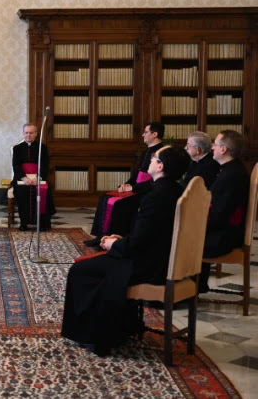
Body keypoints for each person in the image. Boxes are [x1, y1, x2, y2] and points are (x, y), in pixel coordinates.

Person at [61, 146, 190, 356]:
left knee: (81, 270)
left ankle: (96, 335)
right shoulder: (176, 190)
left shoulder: (156, 196)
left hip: (149, 267)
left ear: (160, 166)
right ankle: (124, 327)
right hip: (162, 258)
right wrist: (122, 239)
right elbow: (151, 235)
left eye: (154, 158)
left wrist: (115, 244)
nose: (150, 160)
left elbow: (139, 243)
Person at [84, 122, 166, 247]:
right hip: (137, 188)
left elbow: (157, 180)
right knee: (105, 198)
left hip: (147, 191)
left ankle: (114, 239)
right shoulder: (146, 152)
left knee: (119, 204)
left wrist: (133, 188)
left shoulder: (162, 153)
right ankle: (101, 236)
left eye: (146, 132)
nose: (143, 135)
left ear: (155, 134)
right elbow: (136, 174)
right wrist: (126, 185)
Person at [199, 130, 250, 293]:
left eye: (215, 144)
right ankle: (195, 287)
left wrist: (194, 227)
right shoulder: (230, 170)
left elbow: (219, 216)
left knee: (176, 240)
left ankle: (186, 291)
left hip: (226, 236)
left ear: (223, 150)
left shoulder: (232, 175)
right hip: (224, 230)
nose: (212, 147)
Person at [12, 123, 56, 230]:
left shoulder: (43, 147)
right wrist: (24, 178)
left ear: (36, 134)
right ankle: (24, 223)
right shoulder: (17, 148)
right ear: (23, 133)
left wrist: (38, 177)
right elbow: (16, 165)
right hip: (22, 178)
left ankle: (41, 223)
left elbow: (45, 165)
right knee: (21, 192)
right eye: (26, 132)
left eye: (31, 133)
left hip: (39, 177)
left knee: (44, 192)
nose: (28, 135)